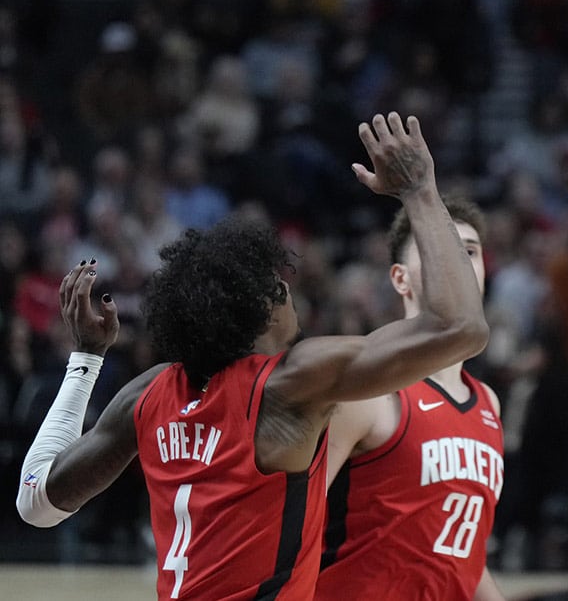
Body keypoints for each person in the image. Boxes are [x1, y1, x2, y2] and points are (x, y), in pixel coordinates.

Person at [15, 112, 489, 600]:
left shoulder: (149, 392)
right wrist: (419, 191)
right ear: (264, 306)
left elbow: (36, 502)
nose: (291, 291)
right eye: (281, 285)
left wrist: (86, 360)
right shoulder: (288, 384)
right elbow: (461, 328)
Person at [316, 194, 505, 601]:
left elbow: (462, 555)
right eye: (441, 249)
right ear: (401, 279)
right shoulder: (368, 390)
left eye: (469, 251)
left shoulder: (488, 402)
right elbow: (288, 519)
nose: (458, 263)